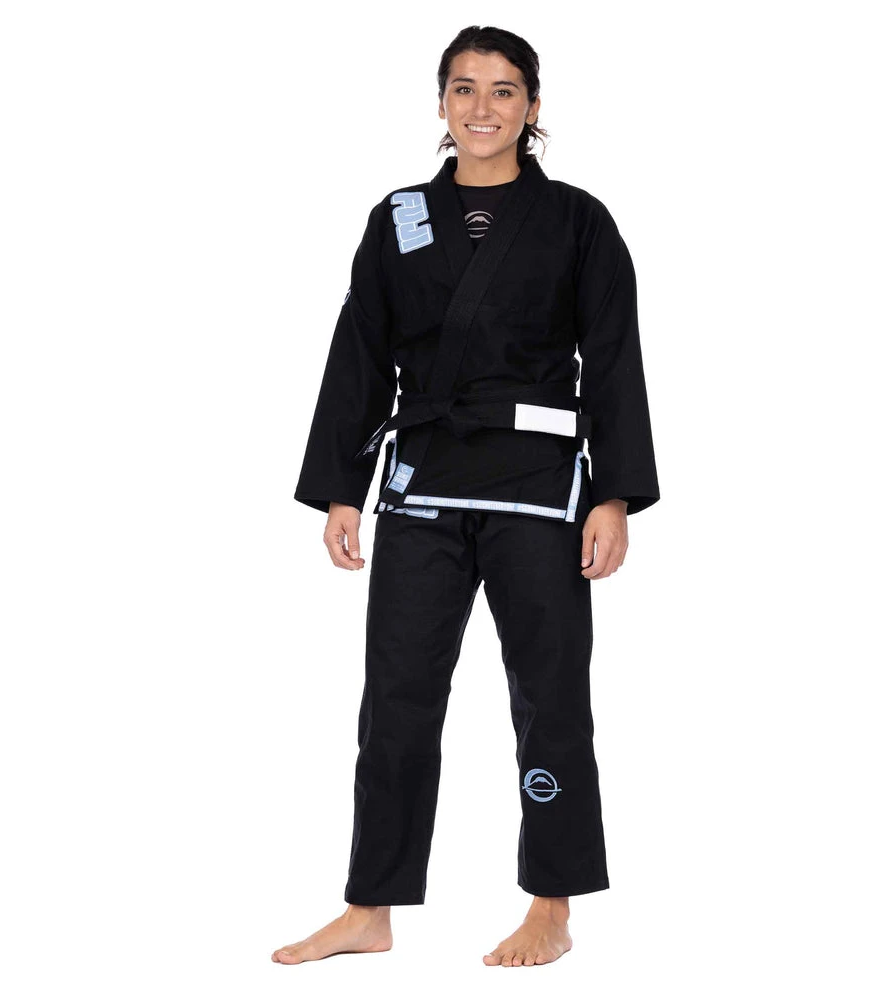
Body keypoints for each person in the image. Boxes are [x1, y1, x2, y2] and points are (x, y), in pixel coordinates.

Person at [273, 25, 660, 968]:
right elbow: (360, 352)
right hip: (423, 485)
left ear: (533, 106)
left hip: (538, 492)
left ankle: (551, 903)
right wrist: (342, 489)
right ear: (441, 102)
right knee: (396, 700)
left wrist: (613, 495)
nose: (482, 108)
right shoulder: (398, 216)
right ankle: (370, 905)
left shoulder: (578, 220)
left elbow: (613, 359)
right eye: (464, 88)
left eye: (503, 90)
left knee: (550, 699)